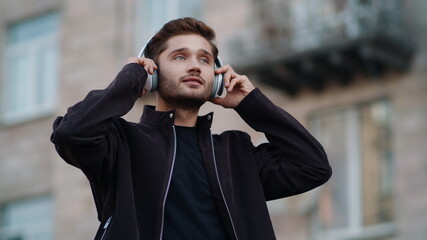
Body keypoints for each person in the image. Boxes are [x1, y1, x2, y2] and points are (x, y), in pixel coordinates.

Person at [51, 17, 332, 240]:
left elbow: (313, 166)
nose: (195, 67)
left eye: (205, 59)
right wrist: (130, 80)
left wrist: (251, 103)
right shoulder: (121, 143)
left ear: (217, 77)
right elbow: (71, 133)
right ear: (153, 73)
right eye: (180, 57)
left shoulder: (236, 153)